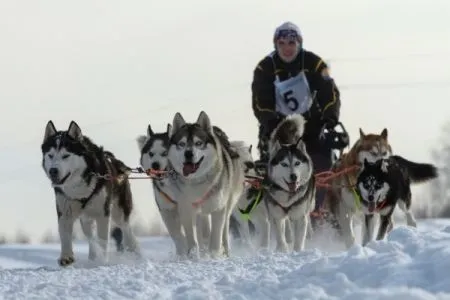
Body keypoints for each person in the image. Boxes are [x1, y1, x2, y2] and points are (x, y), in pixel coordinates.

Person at [251, 21, 343, 214]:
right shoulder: (264, 68)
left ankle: (317, 210)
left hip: (312, 124)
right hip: (278, 128)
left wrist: (330, 117)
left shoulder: (314, 63)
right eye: (282, 43)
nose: (287, 48)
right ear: (276, 44)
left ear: (299, 43)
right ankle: (276, 210)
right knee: (275, 168)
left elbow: (330, 92)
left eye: (291, 43)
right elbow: (261, 101)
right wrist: (270, 122)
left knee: (322, 165)